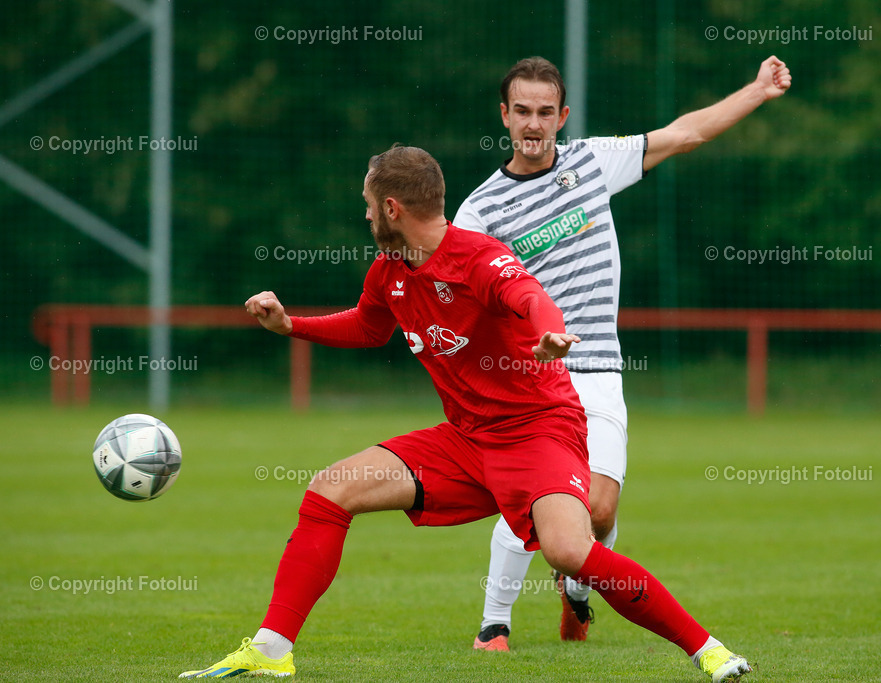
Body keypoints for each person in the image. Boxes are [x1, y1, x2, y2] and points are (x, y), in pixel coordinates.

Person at [178, 146, 752, 681]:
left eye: (368, 204)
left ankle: (709, 651)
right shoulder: (391, 269)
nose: (366, 214)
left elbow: (528, 296)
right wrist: (290, 325)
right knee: (331, 489)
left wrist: (548, 332)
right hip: (467, 440)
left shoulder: (479, 256)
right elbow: (367, 325)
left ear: (392, 207)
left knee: (567, 552)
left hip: (538, 432)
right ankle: (272, 651)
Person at [453, 55, 791, 650]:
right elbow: (462, 303)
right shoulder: (479, 212)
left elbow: (685, 134)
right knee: (532, 502)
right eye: (522, 111)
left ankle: (576, 594)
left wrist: (758, 92)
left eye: (545, 112)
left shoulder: (589, 161)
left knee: (600, 509)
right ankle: (493, 625)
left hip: (598, 370)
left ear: (562, 116)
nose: (534, 124)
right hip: (531, 380)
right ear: (504, 116)